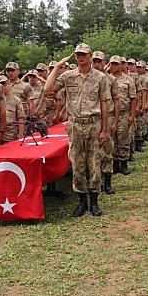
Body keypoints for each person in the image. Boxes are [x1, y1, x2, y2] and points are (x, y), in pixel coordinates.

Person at [44, 43, 111, 217]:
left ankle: (94, 202)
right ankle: (82, 202)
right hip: (74, 125)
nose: (80, 57)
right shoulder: (68, 76)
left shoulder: (100, 77)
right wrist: (57, 67)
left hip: (93, 123)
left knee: (95, 163)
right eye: (78, 55)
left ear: (90, 56)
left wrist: (105, 130)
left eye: (84, 54)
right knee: (77, 163)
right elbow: (48, 88)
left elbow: (104, 104)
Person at [91, 51, 120, 195]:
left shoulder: (111, 79)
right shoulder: (88, 79)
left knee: (107, 149)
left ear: (104, 63)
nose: (96, 64)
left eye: (99, 61)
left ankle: (107, 182)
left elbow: (116, 100)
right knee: (93, 152)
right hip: (92, 118)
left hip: (107, 118)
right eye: (94, 61)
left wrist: (115, 121)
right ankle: (96, 182)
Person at [109, 55, 136, 175]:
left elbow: (133, 99)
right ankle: (115, 164)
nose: (113, 66)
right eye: (112, 64)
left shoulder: (128, 80)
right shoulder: (106, 79)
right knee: (112, 140)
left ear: (121, 65)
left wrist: (132, 115)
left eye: (116, 64)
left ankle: (124, 163)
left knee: (123, 138)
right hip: (110, 115)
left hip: (124, 113)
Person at [0, 75, 25, 142]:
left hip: (10, 133)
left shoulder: (16, 100)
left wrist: (20, 134)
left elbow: (21, 118)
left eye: (4, 84)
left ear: (9, 83)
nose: (2, 87)